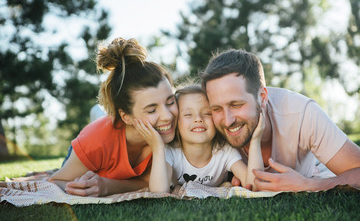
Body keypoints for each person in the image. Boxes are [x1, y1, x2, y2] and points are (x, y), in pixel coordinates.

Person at [201, 49, 360, 192]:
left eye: (236, 105)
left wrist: (307, 184)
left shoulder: (302, 113)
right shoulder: (207, 124)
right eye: (217, 109)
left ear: (262, 97)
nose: (227, 121)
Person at [49, 37, 178, 197]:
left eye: (170, 101)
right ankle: (97, 112)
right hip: (93, 144)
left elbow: (148, 183)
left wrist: (107, 186)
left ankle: (98, 112)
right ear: (126, 116)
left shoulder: (174, 127)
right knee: (99, 123)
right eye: (151, 110)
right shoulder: (96, 141)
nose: (167, 116)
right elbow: (56, 182)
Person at [133, 84, 264, 192]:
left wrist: (255, 140)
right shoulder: (171, 152)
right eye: (188, 114)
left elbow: (254, 186)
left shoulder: (225, 151)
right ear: (176, 122)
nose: (198, 119)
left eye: (206, 113)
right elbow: (158, 193)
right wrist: (157, 147)